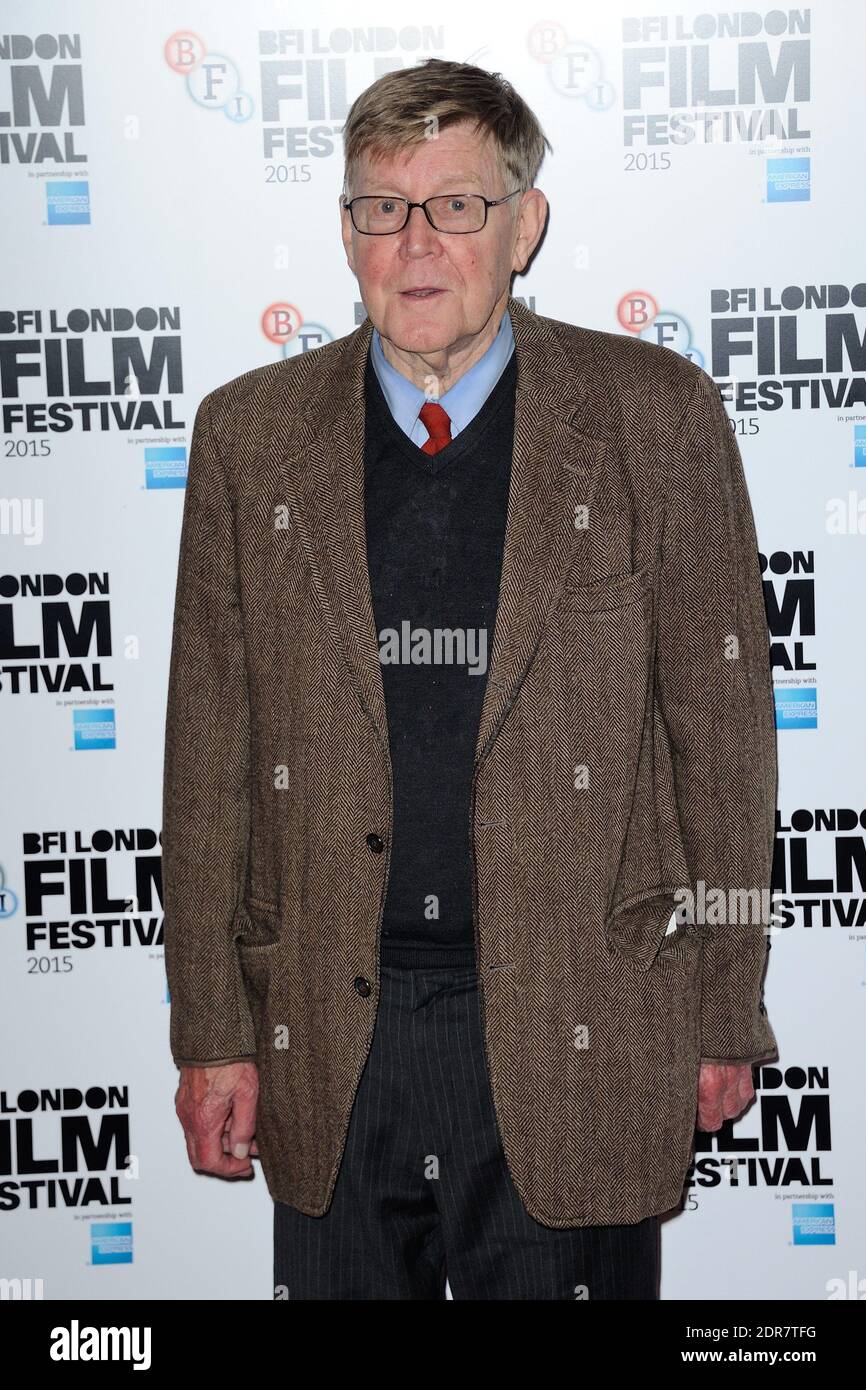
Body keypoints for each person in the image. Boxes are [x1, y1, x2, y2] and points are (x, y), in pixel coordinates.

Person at [162, 57, 779, 1301]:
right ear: (346, 232)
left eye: (455, 204)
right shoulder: (248, 435)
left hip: (580, 1022)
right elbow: (207, 759)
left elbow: (721, 740)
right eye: (380, 209)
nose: (416, 242)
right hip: (333, 1039)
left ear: (523, 223)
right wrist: (212, 1030)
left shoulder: (654, 419)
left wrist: (725, 1009)